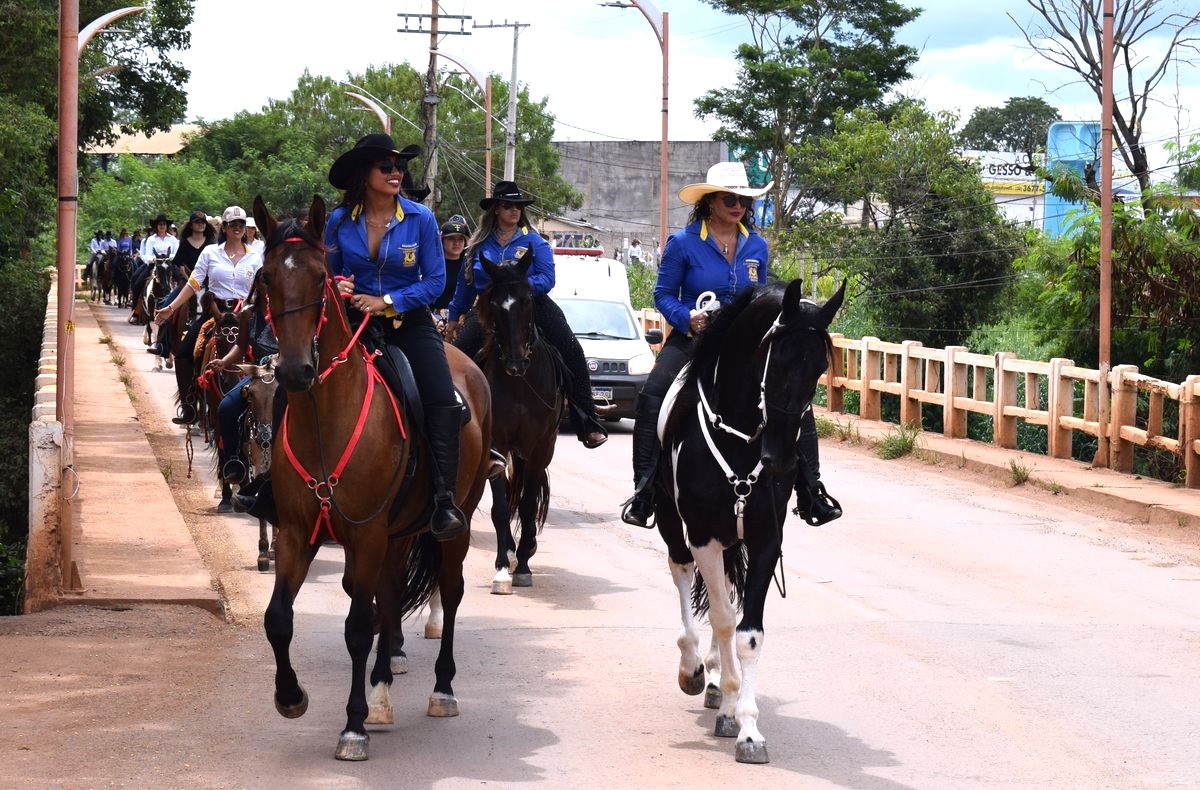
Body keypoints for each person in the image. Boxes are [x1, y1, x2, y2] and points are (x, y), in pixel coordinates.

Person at [238, 134, 466, 541]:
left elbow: (434, 280)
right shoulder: (341, 220)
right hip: (347, 322)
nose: (396, 173)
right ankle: (273, 485)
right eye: (386, 166)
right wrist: (340, 284)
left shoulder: (421, 219)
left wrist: (387, 301)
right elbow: (324, 270)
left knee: (440, 397)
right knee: (287, 384)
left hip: (407, 323)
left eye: (399, 167)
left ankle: (444, 499)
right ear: (365, 175)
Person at [620, 161, 841, 529]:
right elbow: (663, 295)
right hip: (696, 338)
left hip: (747, 345)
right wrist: (685, 316)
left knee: (796, 403)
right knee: (653, 394)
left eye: (742, 199)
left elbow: (765, 295)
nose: (737, 205)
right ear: (709, 202)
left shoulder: (757, 245)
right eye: (728, 199)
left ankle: (811, 490)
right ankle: (644, 490)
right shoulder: (683, 243)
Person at [446, 181, 609, 449]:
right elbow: (466, 284)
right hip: (491, 308)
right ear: (496, 210)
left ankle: (586, 420)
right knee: (459, 356)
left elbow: (548, 278)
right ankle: (454, 421)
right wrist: (454, 316)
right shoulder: (478, 244)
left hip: (530, 305)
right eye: (508, 206)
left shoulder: (535, 242)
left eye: (518, 207)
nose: (514, 211)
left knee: (572, 350)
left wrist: (519, 287)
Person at [153, 206, 262, 425]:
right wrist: (170, 308)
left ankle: (271, 409)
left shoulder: (256, 257)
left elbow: (262, 289)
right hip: (215, 314)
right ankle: (189, 407)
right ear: (224, 227)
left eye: (241, 224)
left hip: (246, 316)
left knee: (269, 355)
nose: (238, 228)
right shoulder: (211, 253)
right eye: (233, 224)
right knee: (184, 353)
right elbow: (193, 283)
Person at [146, 211, 215, 360]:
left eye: (203, 222)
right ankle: (160, 344)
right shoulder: (184, 243)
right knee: (167, 303)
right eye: (197, 222)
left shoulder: (211, 243)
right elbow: (179, 264)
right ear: (191, 225)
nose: (201, 225)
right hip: (188, 282)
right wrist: (190, 279)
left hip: (209, 284)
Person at [431, 213, 469, 330]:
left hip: (463, 321)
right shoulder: (431, 264)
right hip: (434, 320)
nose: (457, 243)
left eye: (460, 239)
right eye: (451, 239)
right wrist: (435, 320)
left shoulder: (470, 266)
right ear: (442, 240)